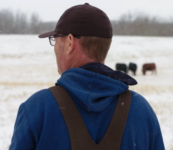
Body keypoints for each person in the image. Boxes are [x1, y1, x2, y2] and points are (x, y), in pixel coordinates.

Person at [10, 3, 164, 150]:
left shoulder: (37, 108)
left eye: (55, 40)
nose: (55, 48)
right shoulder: (142, 112)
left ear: (70, 42)